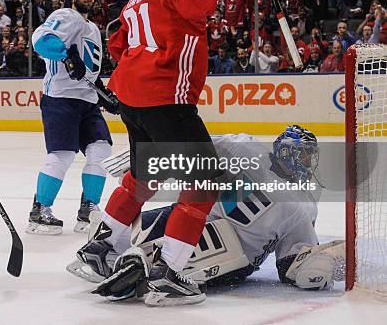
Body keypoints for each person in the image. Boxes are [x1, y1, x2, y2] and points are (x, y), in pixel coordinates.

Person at [76, 0, 262, 307]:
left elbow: (117, 44)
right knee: (205, 180)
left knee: (145, 174)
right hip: (165, 99)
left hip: (133, 98)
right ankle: (169, 273)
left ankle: (97, 250)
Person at [69, 126, 345, 299]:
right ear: (286, 153)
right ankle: (130, 260)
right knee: (132, 234)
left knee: (161, 244)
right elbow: (291, 265)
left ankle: (142, 265)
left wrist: (317, 265)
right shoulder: (299, 201)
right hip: (195, 222)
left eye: (311, 155)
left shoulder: (247, 150)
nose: (308, 161)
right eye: (304, 154)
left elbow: (292, 262)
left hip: (231, 256)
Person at [27, 0, 118, 236]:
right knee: (62, 156)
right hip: (60, 98)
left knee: (100, 150)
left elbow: (89, 70)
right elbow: (41, 39)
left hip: (87, 101)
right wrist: (67, 56)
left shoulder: (92, 29)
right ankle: (39, 211)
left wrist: (102, 93)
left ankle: (88, 208)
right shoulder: (67, 16)